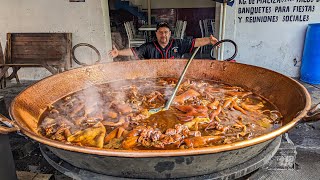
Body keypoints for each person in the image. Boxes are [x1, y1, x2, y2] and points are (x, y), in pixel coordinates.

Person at [109, 21, 219, 59]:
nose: (163, 35)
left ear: (170, 33)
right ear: (156, 34)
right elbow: (134, 51)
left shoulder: (178, 44)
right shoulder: (149, 47)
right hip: (155, 78)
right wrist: (118, 52)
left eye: (166, 32)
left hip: (174, 76)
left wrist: (209, 40)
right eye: (160, 32)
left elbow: (195, 42)